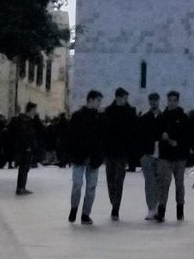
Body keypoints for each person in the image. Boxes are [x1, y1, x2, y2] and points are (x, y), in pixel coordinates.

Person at [66, 90, 106, 223]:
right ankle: (74, 208)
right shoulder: (77, 116)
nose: (100, 104)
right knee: (77, 185)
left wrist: (99, 157)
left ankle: (85, 214)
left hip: (94, 158)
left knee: (91, 188)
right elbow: (71, 137)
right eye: (98, 101)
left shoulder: (100, 118)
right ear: (91, 100)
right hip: (79, 157)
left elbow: (102, 139)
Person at [100, 87, 139, 220]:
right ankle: (113, 201)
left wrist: (131, 151)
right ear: (118, 97)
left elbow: (134, 132)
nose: (126, 100)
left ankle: (116, 207)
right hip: (110, 151)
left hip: (122, 152)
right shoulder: (108, 111)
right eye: (124, 97)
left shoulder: (130, 112)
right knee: (110, 179)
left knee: (119, 179)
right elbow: (103, 132)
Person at [155, 90, 192, 221]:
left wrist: (179, 143)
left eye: (174, 100)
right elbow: (156, 133)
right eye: (170, 100)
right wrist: (161, 136)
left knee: (179, 184)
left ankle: (180, 210)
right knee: (164, 184)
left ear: (178, 101)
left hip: (180, 157)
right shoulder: (162, 117)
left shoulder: (184, 118)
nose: (171, 103)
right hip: (165, 156)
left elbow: (189, 137)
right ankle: (161, 211)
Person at [138, 91, 163, 220]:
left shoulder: (164, 117)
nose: (153, 102)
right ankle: (151, 208)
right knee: (149, 182)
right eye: (151, 100)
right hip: (147, 153)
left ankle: (158, 207)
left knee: (159, 182)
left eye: (155, 100)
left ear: (158, 101)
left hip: (161, 154)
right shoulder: (144, 117)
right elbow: (139, 136)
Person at [11, 102, 41, 195]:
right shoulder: (25, 121)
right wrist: (28, 146)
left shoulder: (26, 120)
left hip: (24, 148)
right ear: (31, 110)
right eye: (34, 110)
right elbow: (25, 135)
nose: (35, 112)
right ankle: (21, 188)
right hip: (25, 149)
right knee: (24, 168)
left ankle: (22, 187)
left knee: (24, 168)